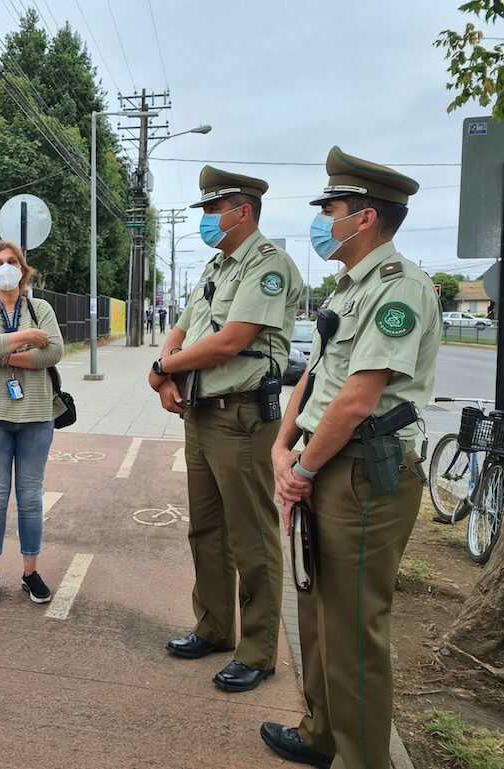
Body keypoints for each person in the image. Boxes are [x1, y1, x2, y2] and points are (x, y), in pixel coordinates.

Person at [262, 147, 439, 769]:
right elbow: (313, 378)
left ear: (364, 219)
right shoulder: (348, 287)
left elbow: (360, 399)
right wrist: (284, 448)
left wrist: (302, 470)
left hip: (366, 473)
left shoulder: (401, 290)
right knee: (315, 610)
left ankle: (364, 759)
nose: (323, 221)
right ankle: (320, 734)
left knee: (354, 630)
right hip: (326, 464)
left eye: (330, 209)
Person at [148, 166, 303, 693]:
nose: (208, 220)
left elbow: (232, 340)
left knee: (251, 537)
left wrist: (167, 368)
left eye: (215, 210)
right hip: (202, 412)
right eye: (206, 211)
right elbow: (185, 327)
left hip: (242, 417)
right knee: (206, 529)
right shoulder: (216, 267)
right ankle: (213, 627)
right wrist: (161, 368)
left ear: (244, 211)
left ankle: (258, 652)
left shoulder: (268, 267)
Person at [0, 240, 64, 604]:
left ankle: (30, 571)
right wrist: (26, 339)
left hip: (37, 415)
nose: (6, 267)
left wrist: (5, 354)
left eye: (13, 262)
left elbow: (53, 351)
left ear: (23, 270)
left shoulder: (41, 308)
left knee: (30, 498)